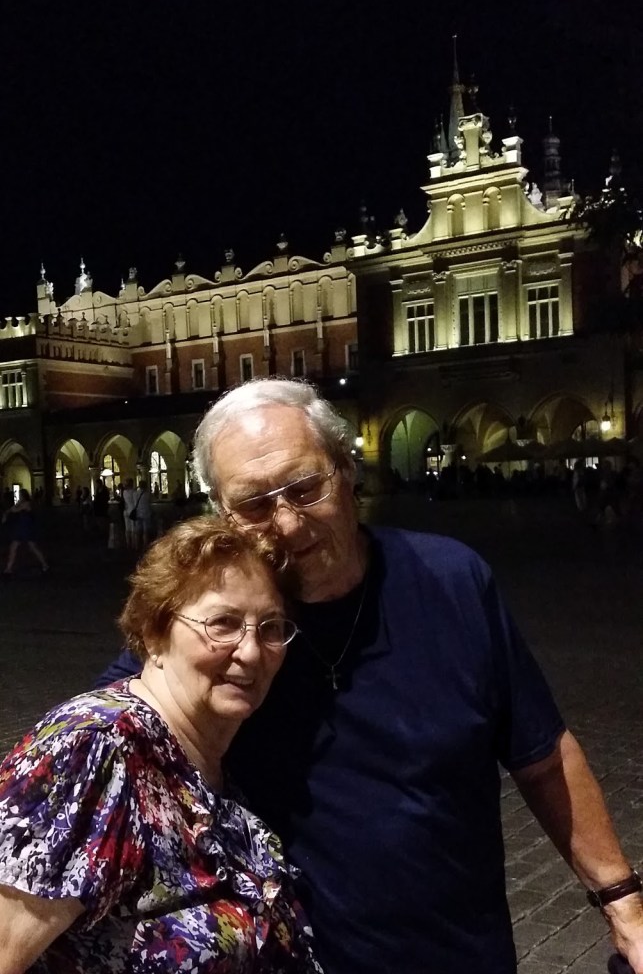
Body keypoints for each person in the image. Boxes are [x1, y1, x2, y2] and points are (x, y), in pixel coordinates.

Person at [97, 378, 643, 974]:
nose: (287, 522)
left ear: (346, 471)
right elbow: (107, 729)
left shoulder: (451, 579)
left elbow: (542, 755)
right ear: (222, 515)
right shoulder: (224, 629)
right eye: (253, 504)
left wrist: (624, 905)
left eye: (305, 487)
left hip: (461, 954)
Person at [0, 516, 322, 973]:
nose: (251, 651)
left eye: (270, 627)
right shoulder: (96, 749)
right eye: (223, 623)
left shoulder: (208, 761)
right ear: (154, 634)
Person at [1, 488, 49, 576]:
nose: (18, 496)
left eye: (20, 495)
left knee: (33, 547)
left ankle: (45, 564)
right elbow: (13, 509)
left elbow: (14, 510)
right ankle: (8, 568)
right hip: (21, 528)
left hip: (26, 528)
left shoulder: (26, 504)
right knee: (14, 547)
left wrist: (8, 512)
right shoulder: (21, 503)